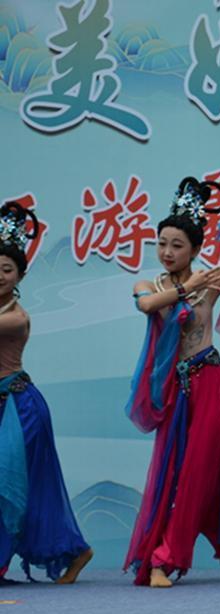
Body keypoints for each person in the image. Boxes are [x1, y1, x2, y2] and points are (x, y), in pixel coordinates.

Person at [123, 170, 220, 587]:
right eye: (162, 243)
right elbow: (147, 305)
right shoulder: (150, 285)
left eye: (177, 245)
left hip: (212, 385)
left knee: (198, 474)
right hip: (175, 391)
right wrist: (187, 290)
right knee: (180, 475)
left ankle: (165, 561)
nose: (167, 252)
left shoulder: (211, 280)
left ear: (196, 248)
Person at [0, 201, 93, 584]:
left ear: (20, 275)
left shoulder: (15, 317)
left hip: (20, 410)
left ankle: (74, 550)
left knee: (13, 485)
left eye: (6, 269)